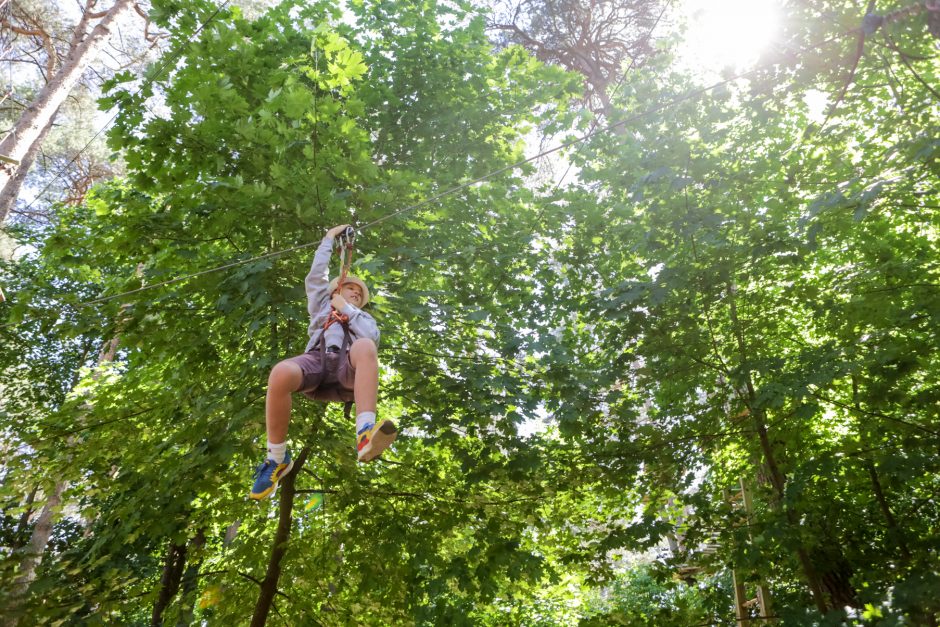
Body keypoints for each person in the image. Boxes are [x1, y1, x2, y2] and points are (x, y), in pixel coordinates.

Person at [250, 224, 397, 500]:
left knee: (364, 345)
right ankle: (276, 459)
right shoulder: (320, 306)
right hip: (316, 360)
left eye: (358, 294)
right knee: (280, 372)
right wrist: (329, 238)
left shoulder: (362, 318)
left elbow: (371, 338)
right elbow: (315, 276)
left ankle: (365, 432)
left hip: (346, 368)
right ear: (334, 291)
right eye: (349, 289)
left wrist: (348, 310)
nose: (354, 293)